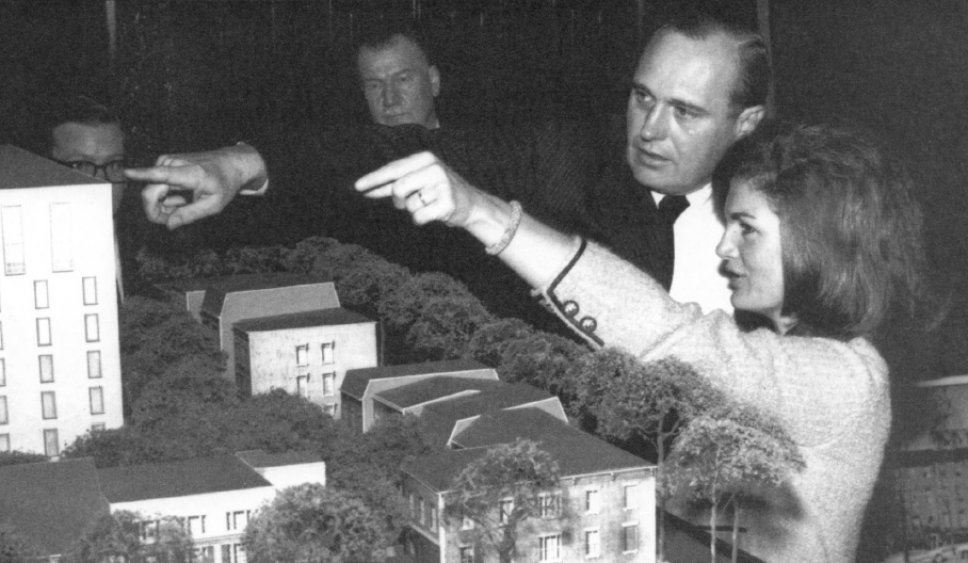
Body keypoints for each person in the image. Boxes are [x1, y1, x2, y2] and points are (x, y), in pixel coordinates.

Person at [353, 121, 933, 562]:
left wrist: (483, 213)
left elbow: (666, 334)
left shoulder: (848, 378)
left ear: (818, 243)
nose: (724, 248)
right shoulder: (779, 352)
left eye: (747, 229)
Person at [125, 25, 600, 330]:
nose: (389, 98)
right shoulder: (335, 171)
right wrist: (241, 167)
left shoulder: (492, 156)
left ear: (433, 81)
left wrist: (242, 162)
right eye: (374, 85)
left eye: (403, 79)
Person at [583, 11, 767, 314]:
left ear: (746, 123)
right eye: (643, 97)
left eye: (684, 111)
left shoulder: (776, 223)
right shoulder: (570, 188)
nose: (649, 130)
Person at [40, 95, 145, 297]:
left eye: (114, 164)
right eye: (81, 165)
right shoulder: (33, 259)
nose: (101, 182)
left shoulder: (152, 250)